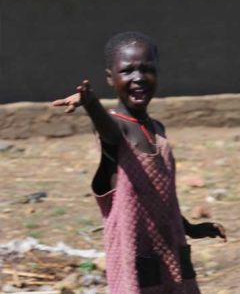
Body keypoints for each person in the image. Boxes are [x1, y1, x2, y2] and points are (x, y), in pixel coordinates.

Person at [52, 31, 226, 293]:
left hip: (172, 251)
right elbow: (108, 130)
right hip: (136, 259)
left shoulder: (158, 130)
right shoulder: (117, 131)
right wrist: (91, 103)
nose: (138, 78)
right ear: (110, 78)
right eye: (127, 71)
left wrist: (190, 227)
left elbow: (160, 198)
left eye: (147, 69)